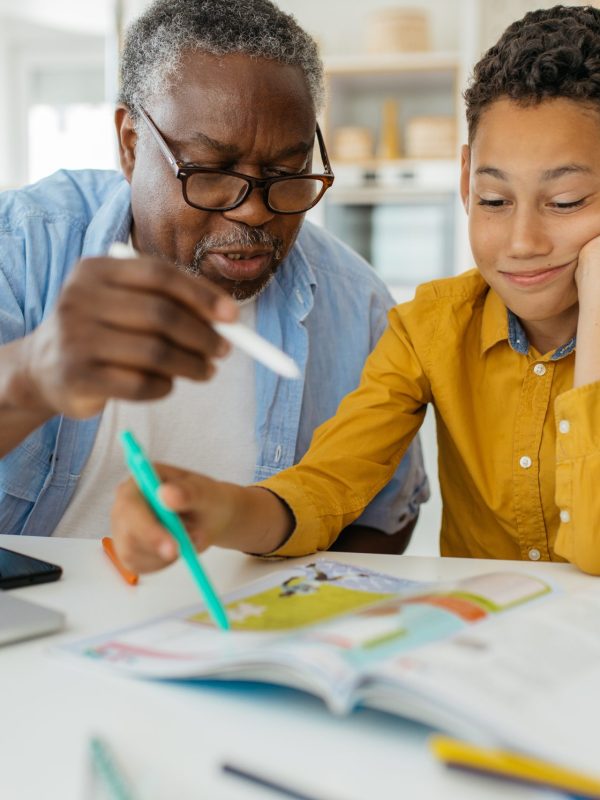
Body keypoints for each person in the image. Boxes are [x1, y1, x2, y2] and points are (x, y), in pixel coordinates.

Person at [112, 4, 600, 576]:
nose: (522, 242)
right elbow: (330, 483)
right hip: (485, 646)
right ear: (466, 180)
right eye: (494, 200)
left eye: (567, 203)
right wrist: (223, 510)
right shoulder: (428, 331)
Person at [0, 0, 427, 552]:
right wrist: (30, 377)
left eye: (286, 172)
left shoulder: (356, 305)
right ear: (131, 144)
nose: (253, 211)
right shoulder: (21, 247)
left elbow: (384, 516)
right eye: (212, 171)